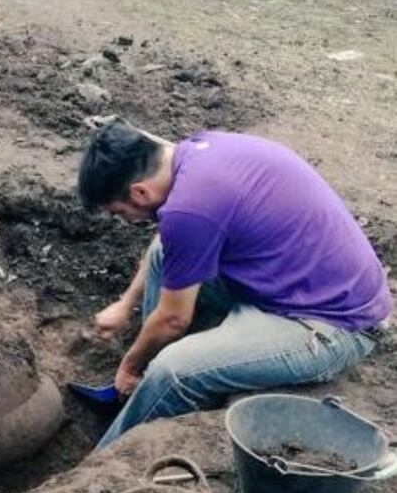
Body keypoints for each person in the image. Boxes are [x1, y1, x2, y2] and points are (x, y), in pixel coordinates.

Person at [78, 120, 392, 449]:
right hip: (297, 282)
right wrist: (126, 304)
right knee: (161, 253)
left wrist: (131, 364)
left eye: (119, 212)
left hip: (334, 325)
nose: (124, 221)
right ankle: (150, 390)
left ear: (140, 192)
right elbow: (169, 243)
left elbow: (174, 319)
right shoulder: (200, 151)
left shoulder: (189, 209)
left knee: (173, 370)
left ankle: (106, 457)